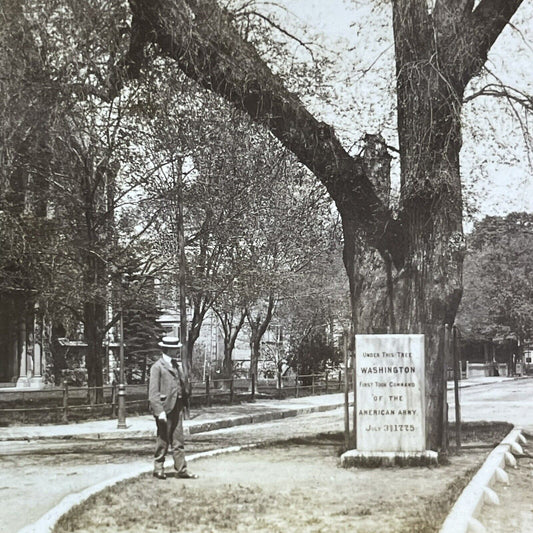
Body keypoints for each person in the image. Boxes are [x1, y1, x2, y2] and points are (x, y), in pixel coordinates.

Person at [148, 335, 198, 480]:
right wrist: (159, 412)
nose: (177, 351)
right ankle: (158, 468)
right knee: (163, 440)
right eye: (175, 349)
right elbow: (153, 393)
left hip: (177, 407)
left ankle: (181, 469)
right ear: (168, 349)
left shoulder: (177, 366)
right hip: (164, 408)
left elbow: (183, 386)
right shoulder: (157, 367)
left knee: (178, 440)